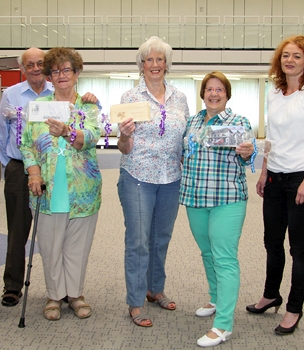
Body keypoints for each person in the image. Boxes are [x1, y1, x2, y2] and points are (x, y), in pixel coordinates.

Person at [0, 47, 98, 307]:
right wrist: (33, 172)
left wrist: (67, 131)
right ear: (50, 76)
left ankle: (74, 295)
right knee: (51, 246)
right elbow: (27, 145)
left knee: (77, 246)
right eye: (55, 70)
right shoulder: (38, 107)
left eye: (67, 69)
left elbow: (93, 137)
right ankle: (54, 296)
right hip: (47, 187)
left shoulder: (89, 105)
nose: (61, 75)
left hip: (82, 188)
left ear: (76, 73)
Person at [246, 35, 304, 336]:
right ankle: (271, 295)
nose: (290, 60)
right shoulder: (274, 93)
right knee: (271, 242)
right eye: (285, 56)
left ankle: (294, 308)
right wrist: (264, 171)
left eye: (296, 56)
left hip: (300, 179)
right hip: (276, 177)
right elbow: (272, 138)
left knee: (298, 246)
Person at [117, 36, 189, 327]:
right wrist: (124, 134)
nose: (155, 64)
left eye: (160, 59)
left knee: (161, 238)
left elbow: (185, 139)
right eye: (150, 60)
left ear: (167, 64)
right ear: (142, 65)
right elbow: (123, 147)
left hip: (171, 177)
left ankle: (154, 289)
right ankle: (135, 301)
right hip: (137, 176)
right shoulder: (130, 98)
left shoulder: (180, 98)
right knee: (138, 241)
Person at [180, 71, 254, 347]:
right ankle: (215, 297)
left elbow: (249, 153)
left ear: (227, 94)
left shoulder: (239, 122)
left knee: (224, 257)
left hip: (227, 198)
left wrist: (248, 153)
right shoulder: (194, 121)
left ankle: (223, 324)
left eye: (219, 89)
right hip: (195, 198)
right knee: (207, 251)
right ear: (203, 94)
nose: (213, 93)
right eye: (209, 89)